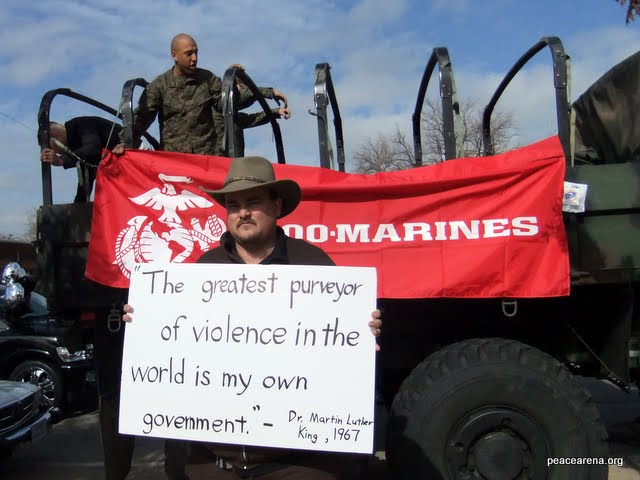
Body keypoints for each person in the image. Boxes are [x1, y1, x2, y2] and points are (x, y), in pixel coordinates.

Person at [123, 156, 382, 479]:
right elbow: (176, 349)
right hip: (211, 462)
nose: (242, 212)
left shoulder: (314, 264)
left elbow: (339, 347)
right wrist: (145, 322)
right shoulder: (202, 271)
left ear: (276, 205)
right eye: (233, 204)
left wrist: (361, 332)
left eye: (253, 202)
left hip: (297, 463)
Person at [113, 34, 286, 156]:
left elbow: (229, 106)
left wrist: (239, 84)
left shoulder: (208, 79)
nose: (194, 58)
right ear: (174, 56)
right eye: (189, 53)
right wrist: (124, 143)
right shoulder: (159, 86)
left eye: (196, 52)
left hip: (208, 161)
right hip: (176, 164)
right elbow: (141, 119)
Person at [40, 116, 123, 202]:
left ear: (54, 138)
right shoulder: (77, 145)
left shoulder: (81, 125)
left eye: (52, 148)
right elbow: (86, 179)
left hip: (127, 151)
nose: (56, 152)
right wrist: (78, 206)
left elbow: (93, 149)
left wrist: (62, 160)